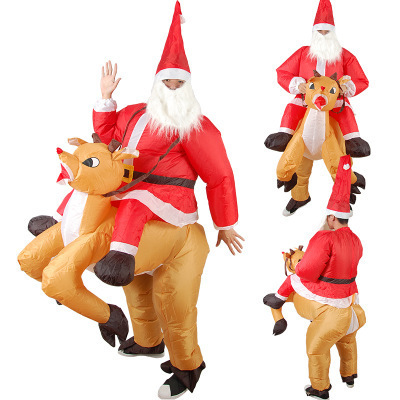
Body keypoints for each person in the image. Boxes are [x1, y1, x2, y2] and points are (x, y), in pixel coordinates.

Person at [92, 2, 244, 398]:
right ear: (157, 84)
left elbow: (219, 175)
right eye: (167, 83)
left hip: (172, 211)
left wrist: (225, 223)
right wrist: (105, 99)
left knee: (173, 304)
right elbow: (107, 142)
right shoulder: (133, 113)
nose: (172, 89)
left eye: (179, 84)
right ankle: (147, 341)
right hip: (130, 202)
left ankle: (187, 367)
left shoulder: (195, 126)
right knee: (135, 286)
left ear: (188, 87)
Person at [264, 155, 366, 400]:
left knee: (316, 348)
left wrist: (298, 267)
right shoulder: (355, 239)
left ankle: (320, 388)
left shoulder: (324, 237)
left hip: (331, 310)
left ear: (331, 217)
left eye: (327, 217)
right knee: (347, 341)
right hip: (352, 305)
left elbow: (307, 270)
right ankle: (349, 376)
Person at [266, 0, 370, 158]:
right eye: (319, 32)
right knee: (293, 107)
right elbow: (283, 72)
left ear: (333, 34)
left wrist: (347, 87)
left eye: (326, 32)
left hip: (334, 98)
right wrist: (297, 84)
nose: (323, 35)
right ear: (314, 33)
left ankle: (352, 140)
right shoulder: (302, 53)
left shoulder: (344, 55)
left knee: (345, 111)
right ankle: (285, 135)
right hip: (306, 98)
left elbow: (361, 79)